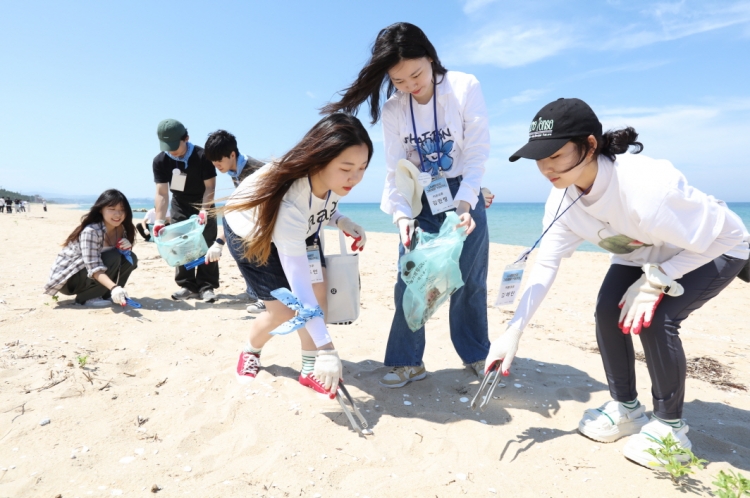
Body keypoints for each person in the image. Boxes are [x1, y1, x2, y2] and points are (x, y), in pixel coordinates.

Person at [487, 98, 750, 468]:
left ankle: (670, 428)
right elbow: (547, 261)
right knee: (607, 311)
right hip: (641, 250)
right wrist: (514, 330)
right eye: (539, 158)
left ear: (590, 145)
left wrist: (659, 279)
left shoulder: (646, 188)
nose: (546, 167)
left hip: (715, 248)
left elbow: (725, 236)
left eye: (556, 155)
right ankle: (627, 408)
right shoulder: (562, 196)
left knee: (656, 320)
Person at [322, 22, 492, 387]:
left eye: (416, 74)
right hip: (418, 195)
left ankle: (477, 354)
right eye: (399, 81)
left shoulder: (464, 87)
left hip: (462, 191)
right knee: (411, 278)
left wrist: (465, 205)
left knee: (469, 281)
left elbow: (477, 154)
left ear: (430, 57)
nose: (411, 86)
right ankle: (407, 361)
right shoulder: (394, 110)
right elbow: (394, 170)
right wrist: (401, 218)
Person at [223, 113, 371, 397]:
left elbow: (324, 202)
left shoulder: (335, 178)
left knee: (320, 295)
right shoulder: (291, 201)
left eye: (363, 168)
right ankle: (250, 351)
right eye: (347, 168)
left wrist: (341, 221)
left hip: (299, 230)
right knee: (284, 311)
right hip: (252, 234)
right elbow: (300, 291)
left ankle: (309, 369)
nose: (355, 177)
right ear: (320, 160)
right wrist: (328, 349)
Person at [152, 119, 219, 302]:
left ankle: (207, 286)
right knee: (181, 244)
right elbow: (162, 193)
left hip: (203, 202)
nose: (171, 150)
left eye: (175, 145)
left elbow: (210, 187)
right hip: (180, 203)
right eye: (167, 146)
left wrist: (205, 210)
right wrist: (159, 220)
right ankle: (187, 285)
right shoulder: (161, 161)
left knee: (206, 242)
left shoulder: (203, 156)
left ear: (186, 138)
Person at [204, 129, 266, 313]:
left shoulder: (253, 171)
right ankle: (256, 291)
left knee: (256, 254)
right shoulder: (235, 170)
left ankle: (266, 297)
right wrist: (219, 242)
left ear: (232, 154)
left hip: (269, 221)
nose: (217, 166)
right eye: (213, 163)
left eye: (219, 161)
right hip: (254, 219)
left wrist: (219, 241)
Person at [44, 189, 138, 307]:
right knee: (113, 256)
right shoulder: (92, 231)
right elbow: (93, 267)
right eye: (112, 209)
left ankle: (107, 294)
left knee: (131, 259)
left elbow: (121, 261)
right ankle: (88, 297)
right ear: (100, 209)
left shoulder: (121, 229)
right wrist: (114, 287)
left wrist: (125, 249)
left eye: (122, 210)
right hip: (69, 279)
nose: (118, 214)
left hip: (88, 275)